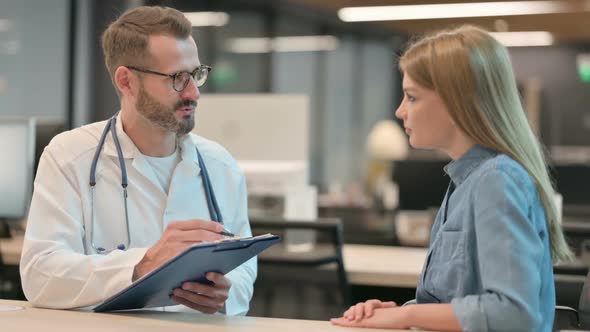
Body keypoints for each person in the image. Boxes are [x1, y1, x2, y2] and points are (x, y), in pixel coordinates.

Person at [330, 25, 572, 331]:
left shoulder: (496, 180)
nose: (400, 111)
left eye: (412, 97)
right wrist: (398, 312)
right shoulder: (467, 180)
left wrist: (407, 317)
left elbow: (513, 313)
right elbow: (463, 299)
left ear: (456, 102)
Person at [20, 6, 255, 315]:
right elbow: (40, 274)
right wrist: (142, 265)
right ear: (127, 82)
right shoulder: (69, 156)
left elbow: (244, 272)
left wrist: (227, 292)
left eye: (197, 74)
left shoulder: (220, 166)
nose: (194, 93)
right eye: (178, 78)